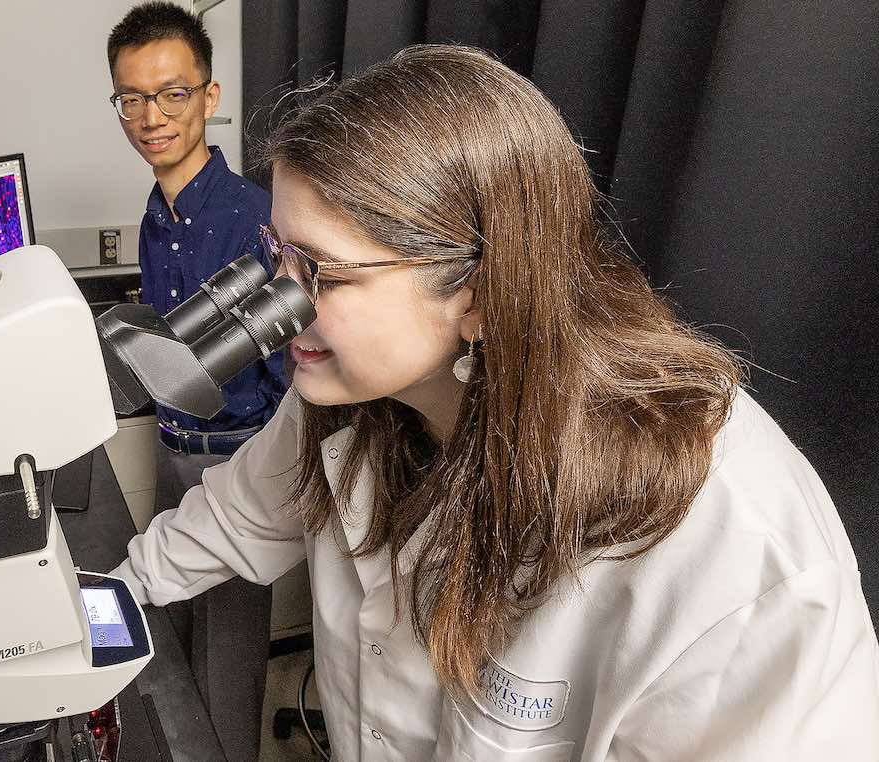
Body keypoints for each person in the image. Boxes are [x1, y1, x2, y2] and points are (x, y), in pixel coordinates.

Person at [112, 44, 879, 760]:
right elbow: (224, 525)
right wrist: (92, 611)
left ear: (479, 294)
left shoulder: (730, 543)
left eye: (324, 274)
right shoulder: (348, 397)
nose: (280, 310)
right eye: (278, 257)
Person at [106, 5, 289, 760]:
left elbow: (292, 378)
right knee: (171, 643)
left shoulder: (258, 219)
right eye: (132, 98)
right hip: (174, 445)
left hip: (240, 457)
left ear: (209, 97)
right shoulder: (157, 215)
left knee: (227, 665)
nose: (152, 117)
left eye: (172, 94)